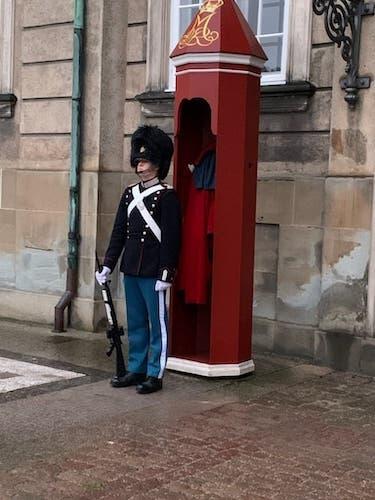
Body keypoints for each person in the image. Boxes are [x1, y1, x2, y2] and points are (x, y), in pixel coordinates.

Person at [95, 125, 181, 394]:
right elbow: (119, 231)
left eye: (145, 162)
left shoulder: (167, 196)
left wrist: (167, 274)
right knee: (135, 323)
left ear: (158, 164)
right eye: (138, 161)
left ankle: (155, 373)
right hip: (131, 268)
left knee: (158, 326)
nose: (140, 167)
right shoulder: (129, 194)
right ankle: (137, 367)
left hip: (154, 271)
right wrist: (109, 263)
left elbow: (171, 238)